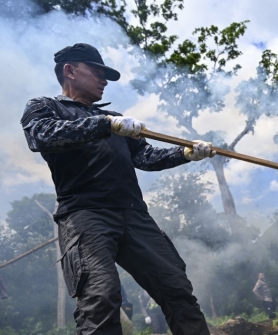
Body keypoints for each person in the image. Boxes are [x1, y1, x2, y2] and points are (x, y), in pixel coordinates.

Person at [20, 43, 213, 335]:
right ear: (70, 71)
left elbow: (145, 157)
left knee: (176, 287)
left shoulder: (116, 122)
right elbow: (41, 136)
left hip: (135, 215)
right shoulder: (46, 107)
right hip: (85, 216)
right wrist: (104, 124)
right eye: (97, 72)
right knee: (101, 295)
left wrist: (184, 153)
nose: (104, 80)